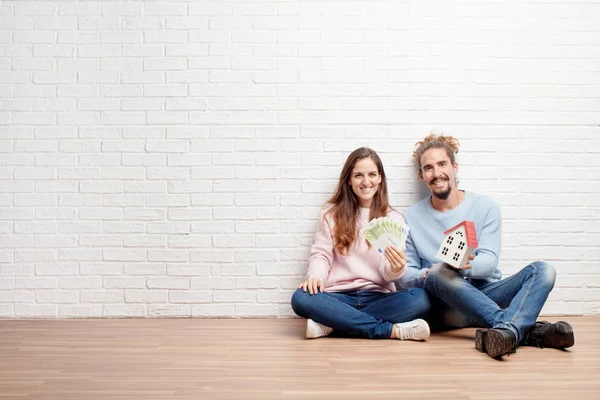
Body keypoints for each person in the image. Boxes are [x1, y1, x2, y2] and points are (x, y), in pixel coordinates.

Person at [394, 133, 574, 358]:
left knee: (544, 270)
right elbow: (404, 274)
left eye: (442, 164)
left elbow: (488, 263)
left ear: (454, 167)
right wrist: (426, 274)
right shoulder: (412, 216)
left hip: (487, 295)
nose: (437, 173)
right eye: (428, 168)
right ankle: (521, 329)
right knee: (439, 271)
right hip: (446, 306)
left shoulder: (485, 206)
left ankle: (505, 331)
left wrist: (461, 265)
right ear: (421, 176)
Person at [291, 147, 431, 340]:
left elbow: (387, 273)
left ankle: (333, 324)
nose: (366, 182)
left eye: (372, 174)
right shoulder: (330, 214)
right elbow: (321, 254)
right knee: (301, 297)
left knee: (422, 299)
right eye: (358, 175)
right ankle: (391, 331)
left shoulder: (394, 219)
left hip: (378, 296)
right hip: (338, 297)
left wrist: (396, 267)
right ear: (349, 179)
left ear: (380, 178)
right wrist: (315, 277)